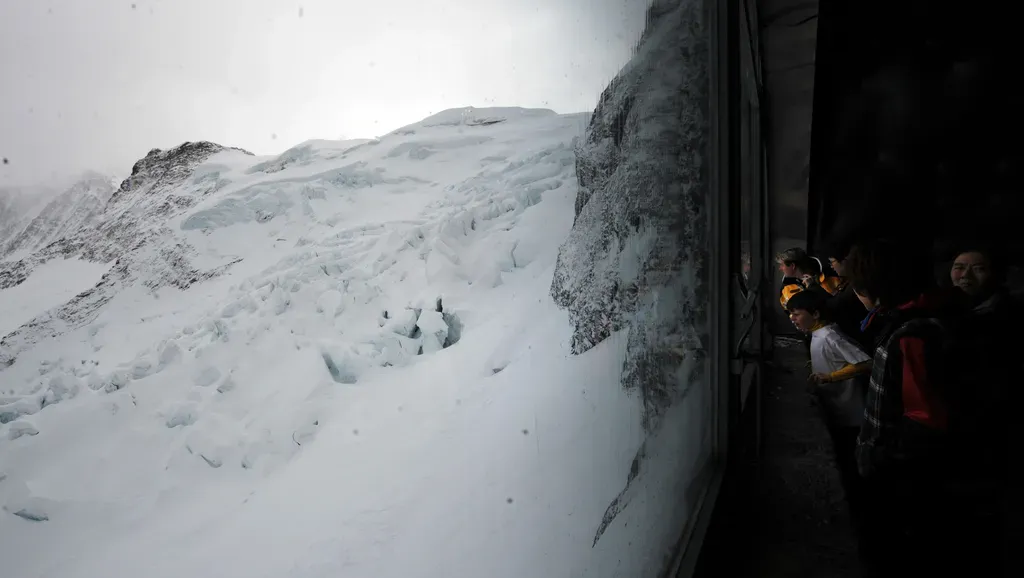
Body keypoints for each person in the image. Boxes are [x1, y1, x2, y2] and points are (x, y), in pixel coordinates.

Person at [843, 239, 968, 575]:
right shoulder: (929, 317)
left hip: (905, 480)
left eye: (858, 287)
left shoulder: (912, 333)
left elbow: (926, 419)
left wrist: (877, 458)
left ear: (877, 289)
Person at [786, 290, 871, 529]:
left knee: (848, 464)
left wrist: (832, 376)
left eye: (796, 314)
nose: (792, 318)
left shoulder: (830, 335)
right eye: (790, 314)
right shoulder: (817, 333)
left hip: (849, 413)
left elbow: (866, 363)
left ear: (815, 313)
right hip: (837, 410)